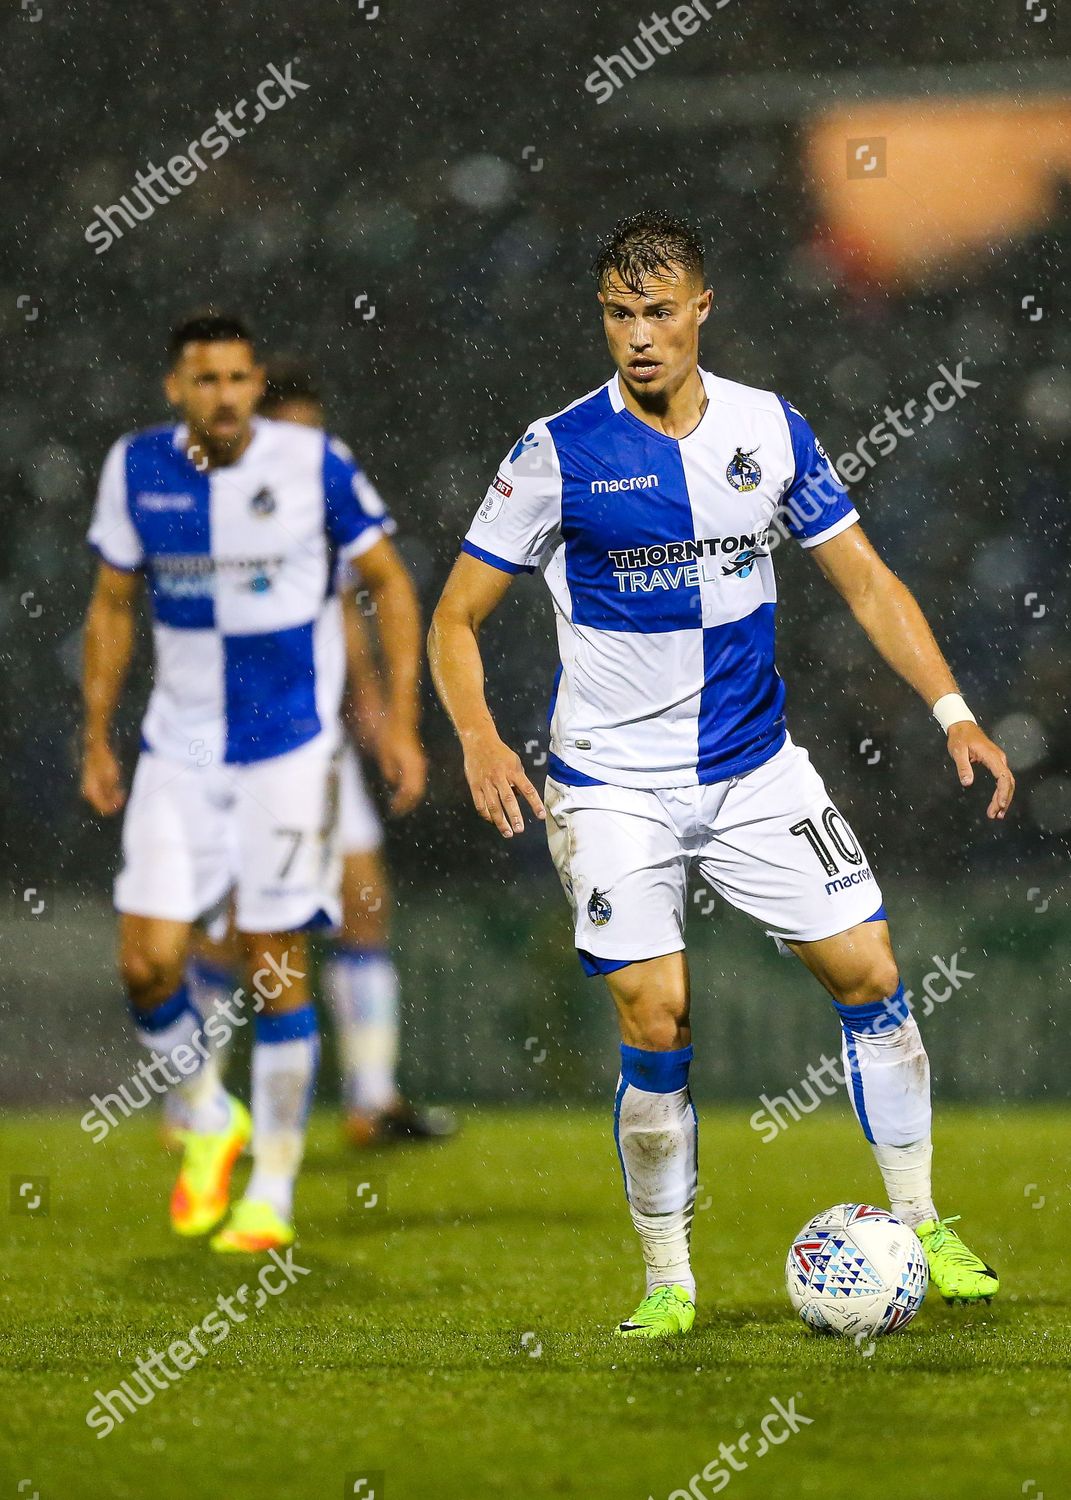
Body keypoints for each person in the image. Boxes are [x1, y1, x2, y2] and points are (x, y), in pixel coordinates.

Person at [428, 211, 1014, 1337]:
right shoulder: (555, 451)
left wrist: (953, 709)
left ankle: (923, 1220)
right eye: (618, 315)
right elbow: (455, 616)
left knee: (871, 972)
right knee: (657, 1016)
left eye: (658, 311)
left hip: (754, 771)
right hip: (611, 784)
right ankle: (669, 1277)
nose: (638, 337)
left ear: (703, 308)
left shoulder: (772, 430)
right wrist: (479, 735)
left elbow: (868, 580)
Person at [81, 315, 424, 1252]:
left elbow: (389, 584)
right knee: (147, 962)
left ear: (254, 381)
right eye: (206, 379)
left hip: (285, 753)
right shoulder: (137, 468)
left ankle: (270, 1187)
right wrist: (96, 737)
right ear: (175, 388)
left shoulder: (312, 464)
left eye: (239, 378)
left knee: (275, 961)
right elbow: (111, 605)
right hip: (178, 752)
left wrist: (397, 720)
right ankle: (205, 1111)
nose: (224, 395)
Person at [174, 360, 452, 1146]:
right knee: (239, 926)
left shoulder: (321, 515)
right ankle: (189, 1094)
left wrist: (379, 715)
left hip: (317, 745)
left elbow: (346, 612)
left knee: (363, 904)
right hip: (243, 750)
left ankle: (371, 1100)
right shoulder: (217, 510)